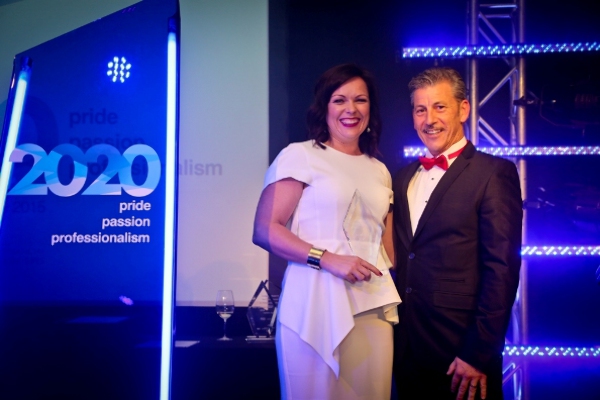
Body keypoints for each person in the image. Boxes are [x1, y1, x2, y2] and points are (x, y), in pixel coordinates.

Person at [253, 63, 401, 400]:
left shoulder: (380, 170)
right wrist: (328, 259)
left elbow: (387, 248)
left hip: (373, 304)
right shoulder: (300, 155)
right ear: (324, 107)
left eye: (360, 100)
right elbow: (265, 229)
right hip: (314, 302)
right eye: (339, 100)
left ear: (371, 108)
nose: (351, 109)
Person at [392, 67, 523, 400]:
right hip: (406, 348)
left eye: (440, 107)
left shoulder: (494, 173)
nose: (429, 119)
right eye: (420, 110)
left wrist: (478, 352)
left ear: (463, 109)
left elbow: (502, 270)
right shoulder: (402, 177)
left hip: (462, 353)